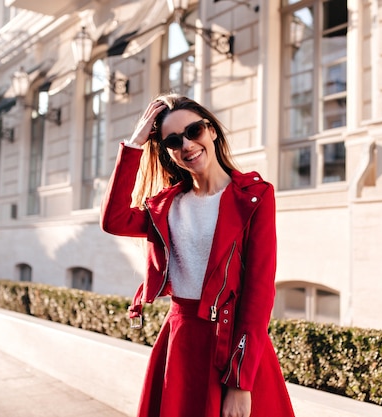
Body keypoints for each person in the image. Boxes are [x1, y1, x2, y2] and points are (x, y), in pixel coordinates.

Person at [100, 94, 295, 417]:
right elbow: (113, 219)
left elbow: (258, 294)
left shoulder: (254, 197)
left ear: (212, 131)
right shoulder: (166, 206)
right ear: (166, 151)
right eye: (173, 141)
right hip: (181, 340)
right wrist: (135, 142)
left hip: (234, 345)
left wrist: (240, 383)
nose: (187, 144)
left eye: (194, 131)